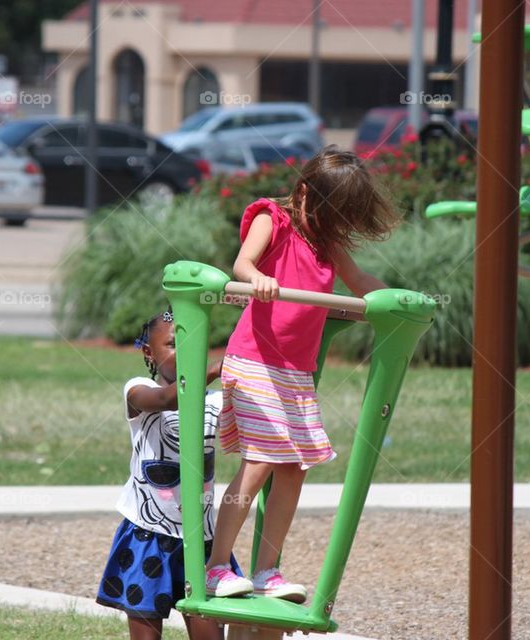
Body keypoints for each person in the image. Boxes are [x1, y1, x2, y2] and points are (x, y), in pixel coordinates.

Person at [204, 146, 399, 603]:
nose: (335, 229)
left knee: (294, 469)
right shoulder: (273, 219)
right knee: (259, 464)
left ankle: (268, 570)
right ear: (304, 193)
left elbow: (359, 282)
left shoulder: (326, 241)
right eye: (331, 216)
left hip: (295, 373)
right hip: (255, 361)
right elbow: (241, 264)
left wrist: (399, 302)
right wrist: (258, 279)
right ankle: (216, 566)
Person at [97, 309, 242, 640]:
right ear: (149, 352)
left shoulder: (216, 402)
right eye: (175, 344)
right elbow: (165, 398)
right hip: (148, 536)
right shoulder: (138, 390)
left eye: (196, 344)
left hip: (202, 540)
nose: (187, 352)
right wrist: (214, 369)